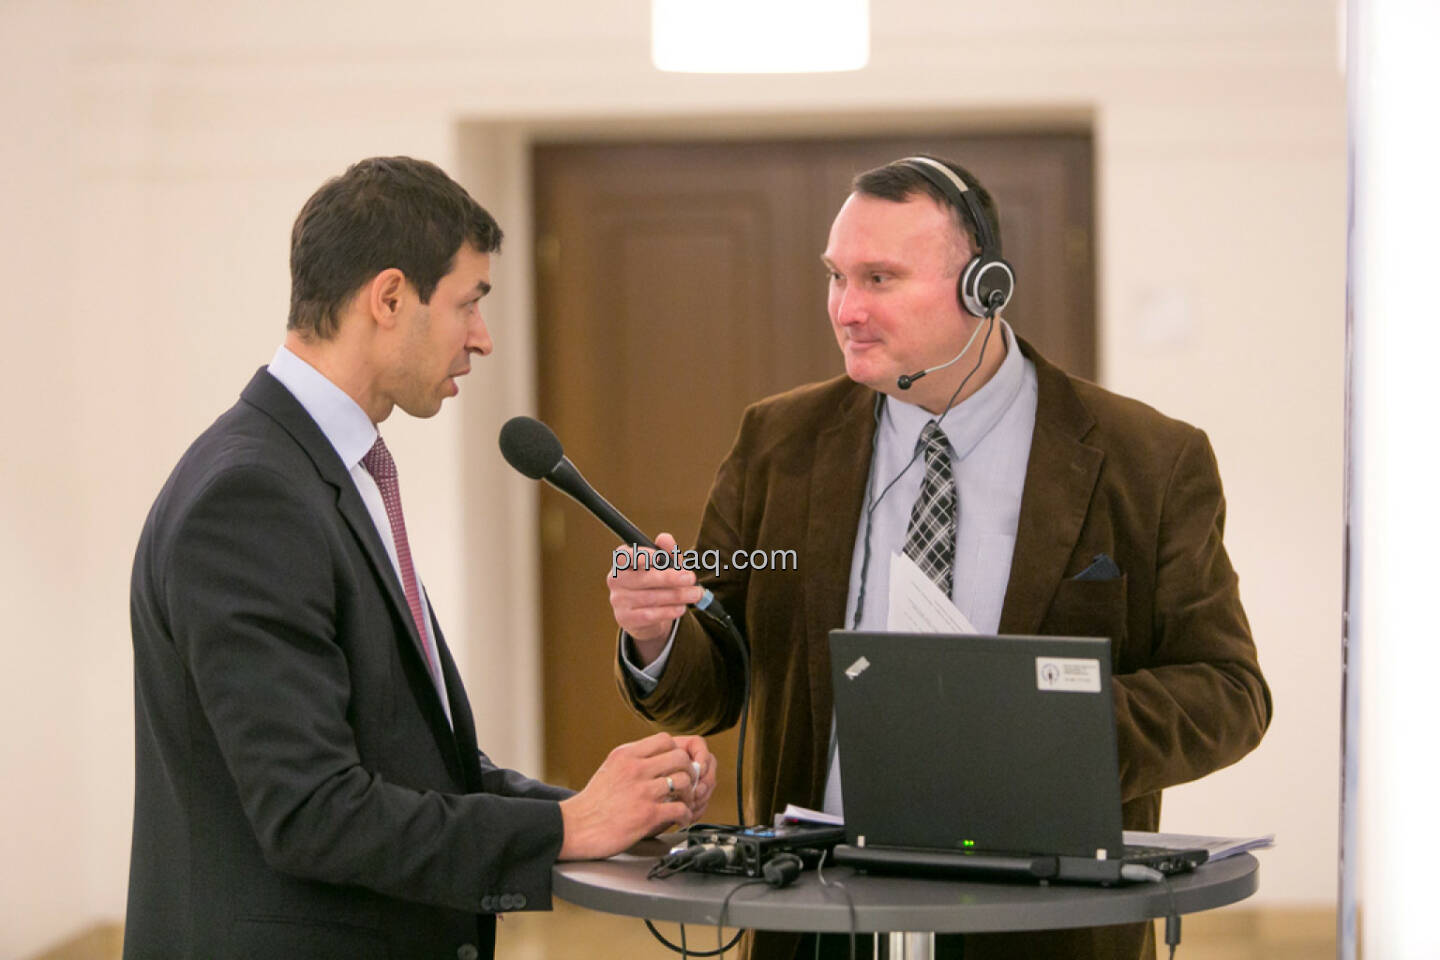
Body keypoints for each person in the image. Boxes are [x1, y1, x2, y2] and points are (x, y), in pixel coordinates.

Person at [606, 155, 1271, 960]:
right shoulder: (778, 443)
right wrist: (658, 636)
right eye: (836, 277)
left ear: (984, 288)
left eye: (879, 279)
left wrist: (1047, 729)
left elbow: (1229, 692)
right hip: (817, 916)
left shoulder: (1147, 459)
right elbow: (717, 680)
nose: (846, 309)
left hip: (1044, 922)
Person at [126, 156, 716, 960]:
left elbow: (403, 758)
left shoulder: (326, 467)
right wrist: (565, 827)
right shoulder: (251, 498)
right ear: (391, 297)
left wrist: (610, 809)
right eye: (469, 302)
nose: (483, 337)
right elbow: (311, 813)